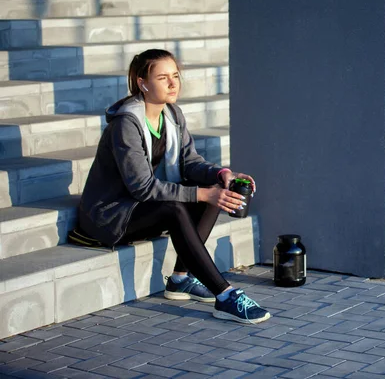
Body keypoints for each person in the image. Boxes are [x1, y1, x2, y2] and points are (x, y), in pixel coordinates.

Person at [77, 48, 270, 324]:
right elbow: (142, 188)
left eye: (175, 76)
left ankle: (180, 279)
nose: (173, 83)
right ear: (142, 83)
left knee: (209, 190)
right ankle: (225, 295)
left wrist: (221, 174)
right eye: (163, 77)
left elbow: (190, 162)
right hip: (110, 214)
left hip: (140, 206)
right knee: (180, 206)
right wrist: (203, 193)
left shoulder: (173, 115)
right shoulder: (125, 125)